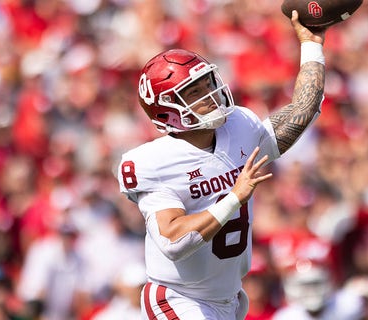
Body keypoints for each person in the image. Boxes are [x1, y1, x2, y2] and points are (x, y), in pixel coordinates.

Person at [116, 10, 327, 320]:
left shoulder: (239, 125)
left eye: (207, 83)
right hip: (179, 297)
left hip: (229, 297)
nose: (210, 95)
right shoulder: (154, 162)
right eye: (195, 92)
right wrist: (234, 198)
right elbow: (173, 240)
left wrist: (311, 46)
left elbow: (302, 110)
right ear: (166, 112)